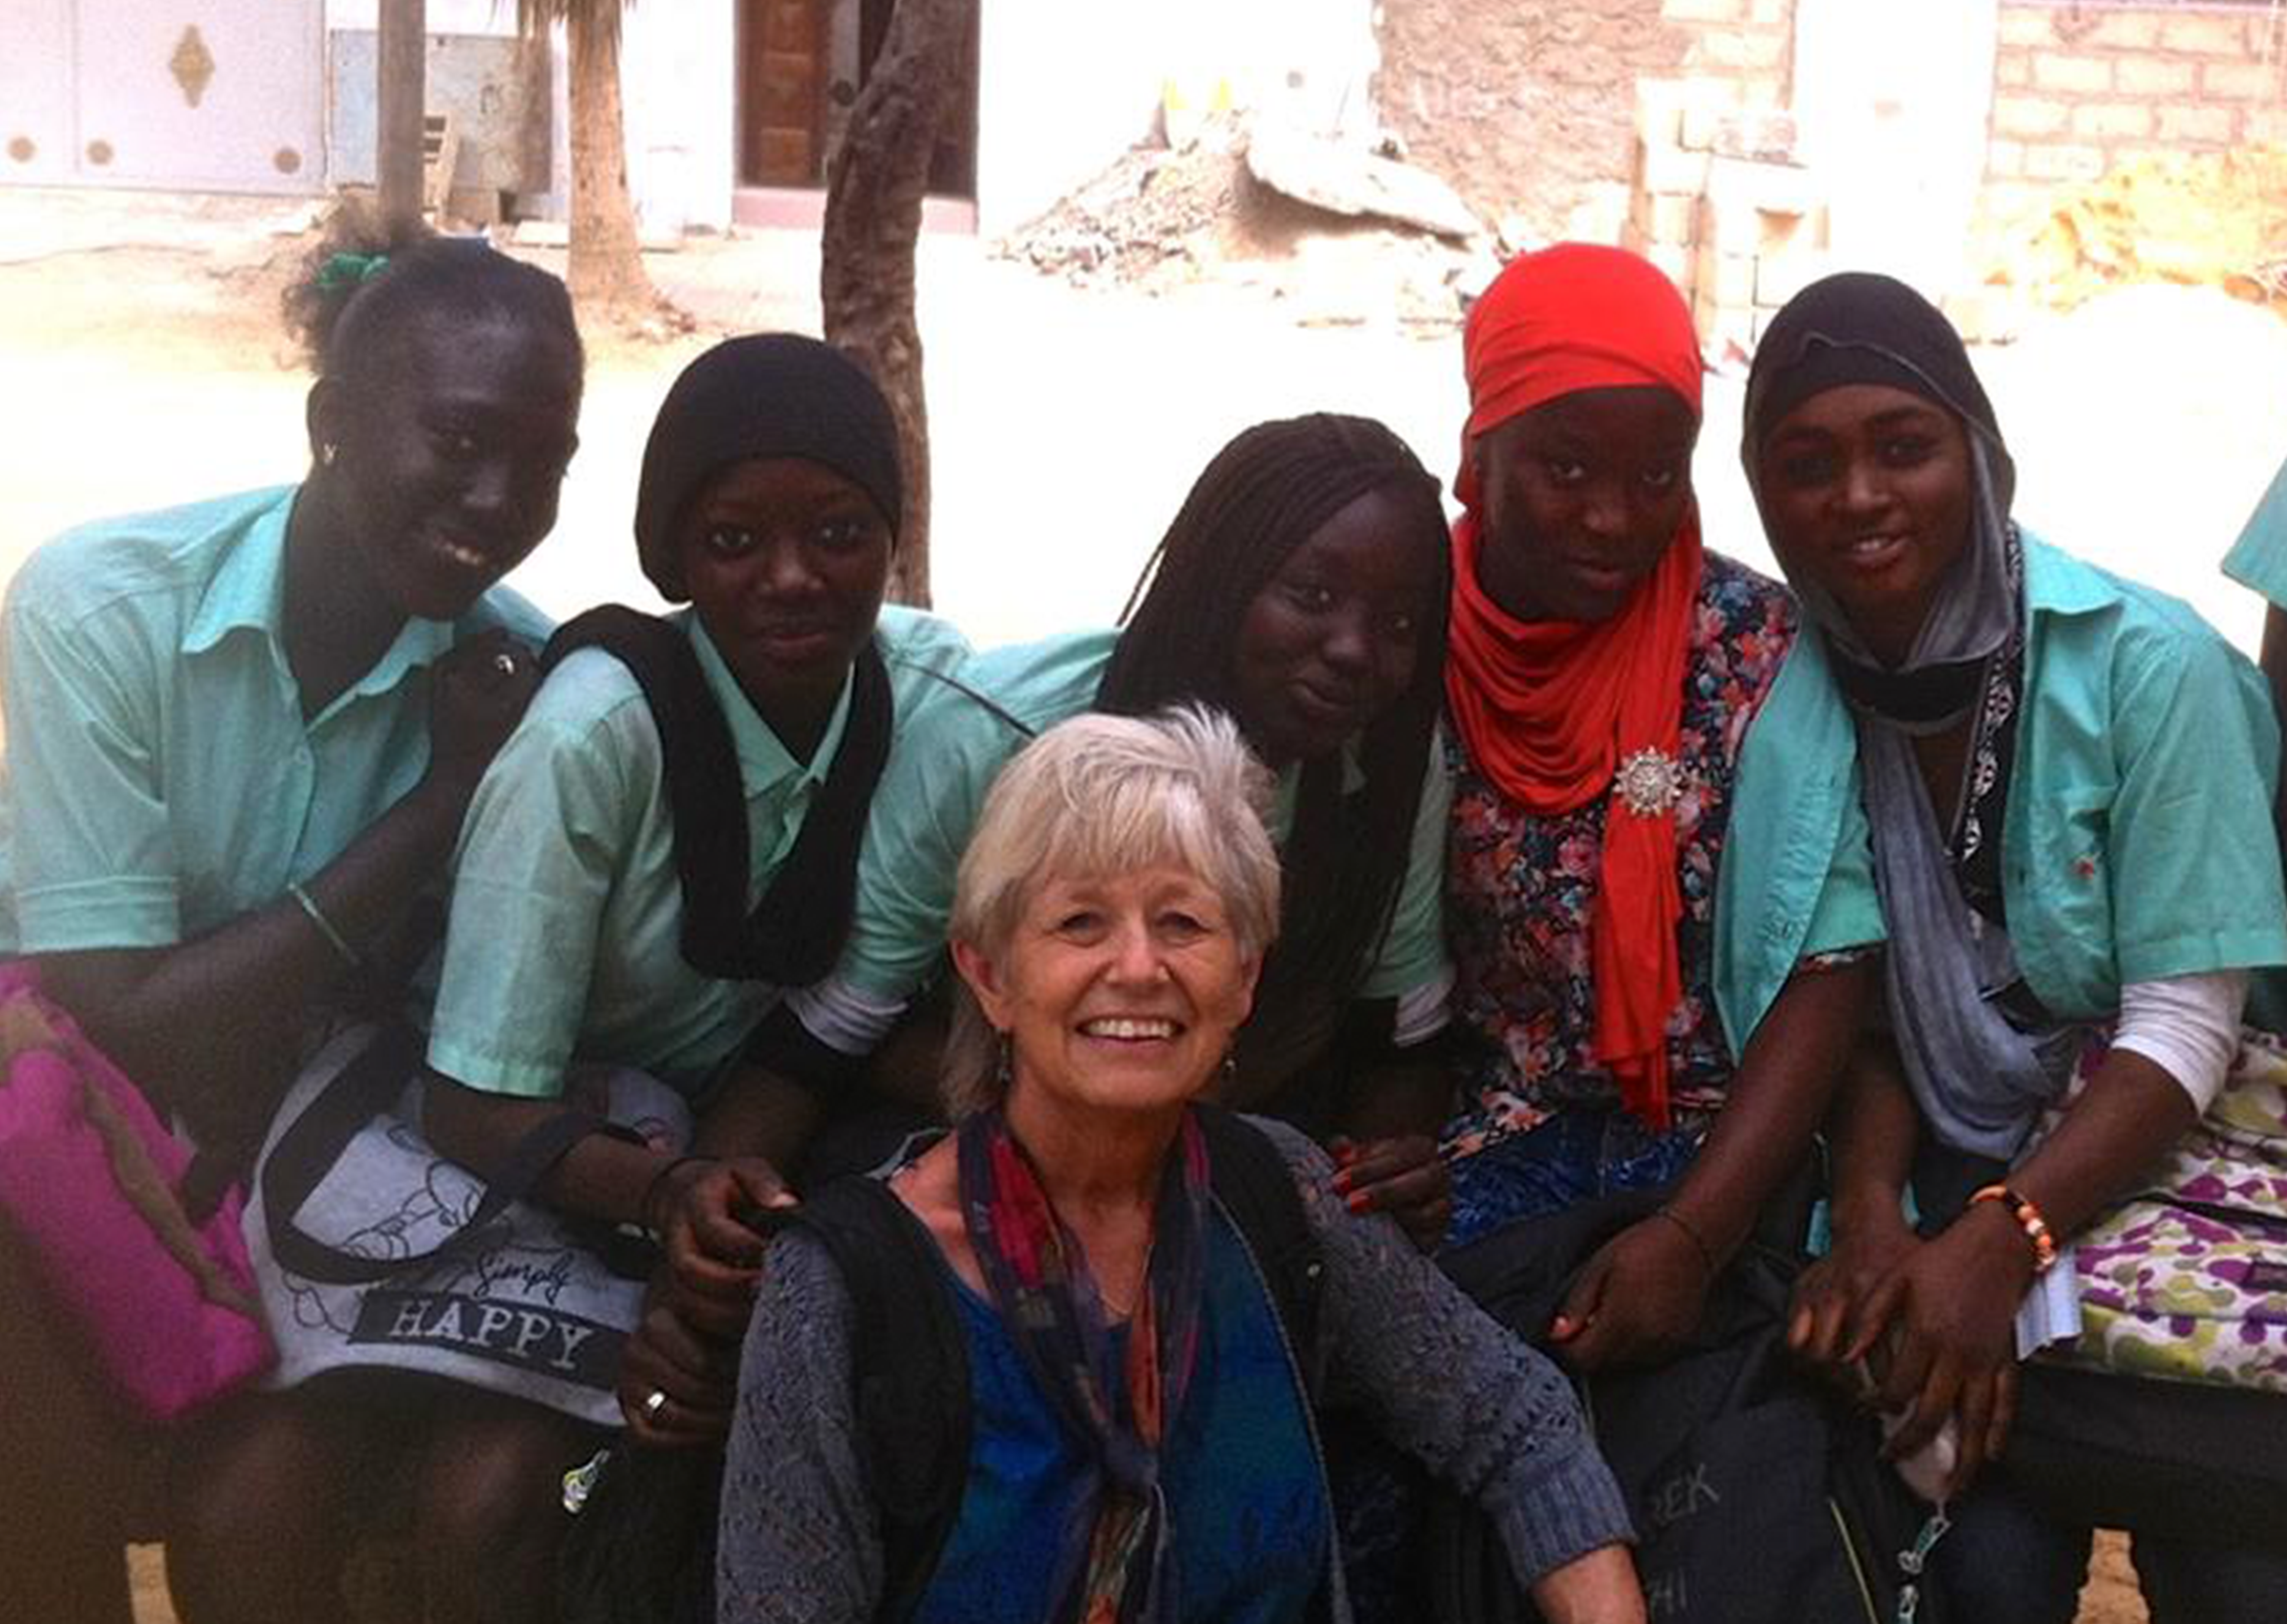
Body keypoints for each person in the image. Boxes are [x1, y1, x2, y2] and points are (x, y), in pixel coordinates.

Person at [171, 333, 971, 1624]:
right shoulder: (594, 736)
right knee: (429, 1492)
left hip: (687, 1140)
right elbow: (472, 1099)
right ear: (674, 555)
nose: (791, 579)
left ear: (892, 532)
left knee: (562, 1470)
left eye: (839, 532)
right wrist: (670, 1200)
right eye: (732, 543)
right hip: (479, 1132)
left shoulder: (919, 700)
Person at [717, 707, 1646, 1624]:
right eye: (1080, 923)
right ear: (990, 976)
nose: (1137, 966)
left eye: (1182, 923)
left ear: (1242, 978)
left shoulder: (1278, 1195)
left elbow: (1517, 1427)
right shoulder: (842, 1287)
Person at [0, 224, 579, 1624]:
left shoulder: (515, 662)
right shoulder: (107, 608)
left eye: (547, 458)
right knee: (43, 1443)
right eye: (457, 439)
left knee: (280, 1479)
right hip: (74, 1133)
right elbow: (117, 1016)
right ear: (331, 423)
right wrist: (443, 794)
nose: (500, 496)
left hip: (304, 1165)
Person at [1741, 270, 2287, 1622]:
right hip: (1939, 1170)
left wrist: (2006, 1238)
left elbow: (2183, 1025)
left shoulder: (2149, 670)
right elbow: (1861, 1005)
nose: (1860, 497)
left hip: (2162, 1162)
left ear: (1980, 459)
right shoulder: (1799, 693)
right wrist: (1872, 1219)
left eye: (1904, 448)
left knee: (2232, 1565)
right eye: (1807, 465)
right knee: (1972, 1570)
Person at [739, 412, 1460, 1245]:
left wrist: (1380, 1184)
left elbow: (1402, 1048)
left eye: (1400, 624)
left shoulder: (1389, 766)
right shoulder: (999, 738)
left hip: (1231, 1132)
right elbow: (834, 1034)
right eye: (1313, 597)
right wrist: (713, 1214)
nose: (1353, 650)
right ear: (1218, 579)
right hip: (974, 1117)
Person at [1436, 243, 1878, 1363]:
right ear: (1478, 454)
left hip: (1723, 1150)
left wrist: (1694, 1233)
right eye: (1568, 469)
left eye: (1655, 475)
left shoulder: (1759, 653)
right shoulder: (1404, 633)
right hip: (1493, 1130)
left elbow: (1828, 972)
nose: (1613, 520)